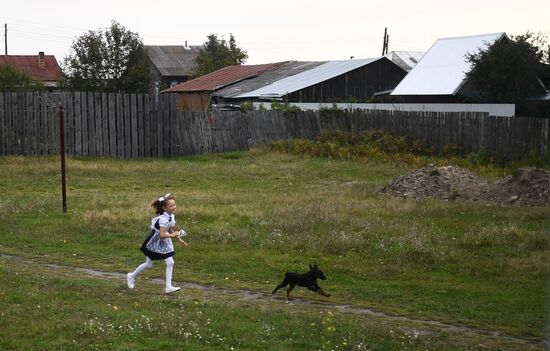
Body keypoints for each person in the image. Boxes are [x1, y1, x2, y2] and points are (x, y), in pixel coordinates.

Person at [127, 193, 188, 294]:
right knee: (149, 264)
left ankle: (168, 287)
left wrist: (179, 239)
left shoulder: (171, 216)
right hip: (154, 243)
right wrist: (173, 236)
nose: (174, 207)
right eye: (171, 205)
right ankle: (131, 276)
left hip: (163, 241)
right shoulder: (163, 219)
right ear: (164, 208)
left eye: (175, 204)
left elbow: (170, 228)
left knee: (170, 262)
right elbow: (162, 234)